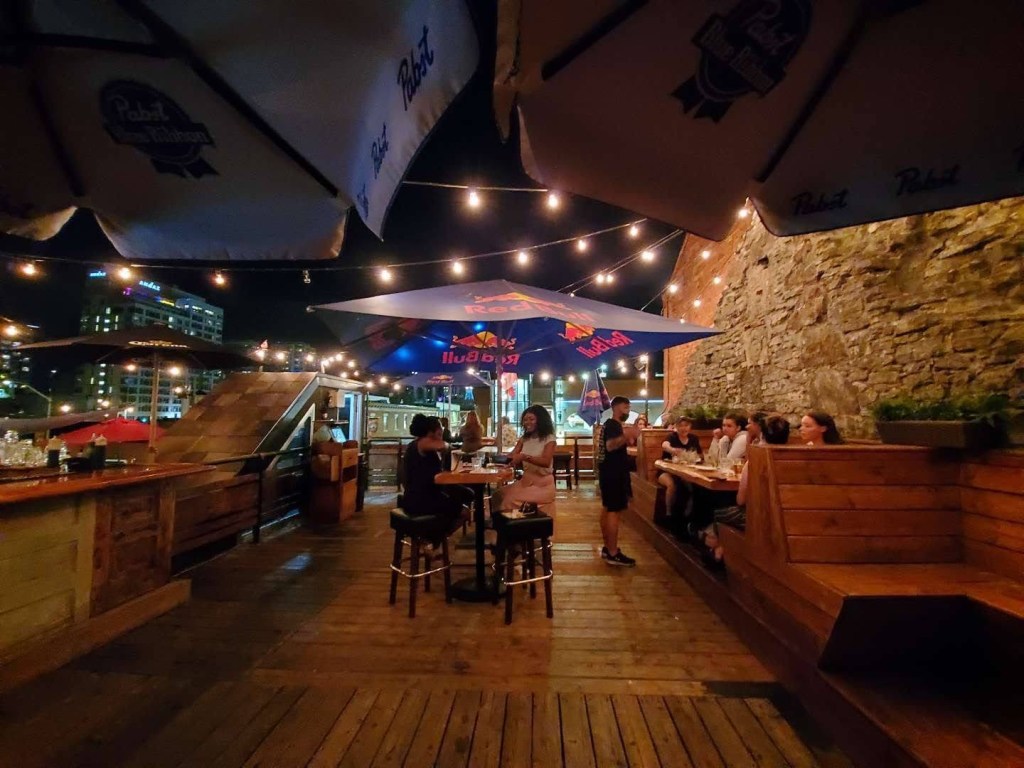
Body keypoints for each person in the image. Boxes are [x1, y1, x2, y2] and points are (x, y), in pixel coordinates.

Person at [703, 414, 791, 564]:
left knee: (719, 514)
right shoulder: (794, 459)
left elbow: (741, 500)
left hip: (761, 518)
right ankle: (719, 549)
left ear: (762, 434)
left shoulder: (755, 461)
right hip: (789, 517)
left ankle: (718, 552)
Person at [403, 415, 472, 535]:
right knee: (464, 512)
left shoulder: (415, 444)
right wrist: (447, 446)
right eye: (440, 433)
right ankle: (435, 539)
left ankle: (434, 535)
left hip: (416, 497)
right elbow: (442, 445)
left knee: (463, 495)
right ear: (430, 433)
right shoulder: (422, 442)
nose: (441, 437)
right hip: (421, 500)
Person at [492, 405, 557, 511]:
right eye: (525, 420)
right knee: (497, 495)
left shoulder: (549, 439)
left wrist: (524, 457)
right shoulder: (524, 439)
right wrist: (498, 460)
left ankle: (510, 521)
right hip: (525, 482)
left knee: (508, 500)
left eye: (531, 419)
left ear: (541, 420)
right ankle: (497, 521)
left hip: (542, 486)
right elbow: (512, 455)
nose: (527, 422)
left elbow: (546, 462)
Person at [597, 396, 637, 566]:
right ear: (616, 408)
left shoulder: (609, 425)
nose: (628, 410)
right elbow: (610, 445)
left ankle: (608, 548)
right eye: (625, 407)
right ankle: (613, 552)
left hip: (608, 473)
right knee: (614, 510)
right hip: (614, 474)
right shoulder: (613, 425)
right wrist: (627, 435)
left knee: (607, 508)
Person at [657, 416, 703, 520]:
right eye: (680, 425)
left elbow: (700, 455)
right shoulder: (672, 437)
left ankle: (689, 514)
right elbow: (664, 445)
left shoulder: (694, 438)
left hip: (685, 471)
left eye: (686, 425)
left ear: (690, 426)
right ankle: (669, 514)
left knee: (694, 486)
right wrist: (672, 450)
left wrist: (693, 457)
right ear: (676, 427)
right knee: (671, 485)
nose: (683, 428)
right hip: (666, 471)